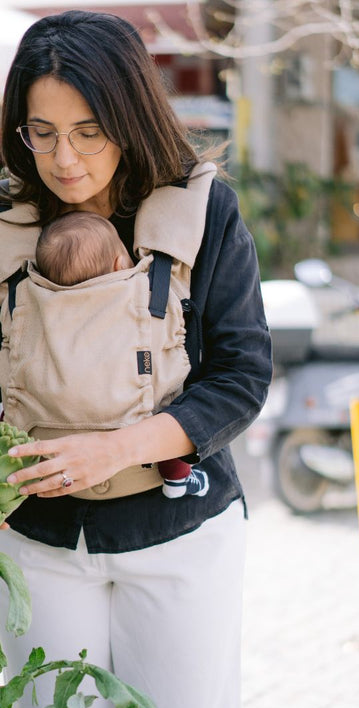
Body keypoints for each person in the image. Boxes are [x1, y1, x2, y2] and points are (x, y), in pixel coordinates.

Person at [0, 10, 272, 708]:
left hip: (181, 537)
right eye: (43, 133)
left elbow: (241, 376)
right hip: (37, 543)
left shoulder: (205, 213)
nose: (65, 160)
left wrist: (116, 450)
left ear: (132, 116)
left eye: (90, 131)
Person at [35, 209, 209, 499]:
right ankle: (177, 478)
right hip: (135, 418)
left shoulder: (46, 310)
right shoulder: (139, 299)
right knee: (170, 405)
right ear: (120, 263)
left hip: (62, 417)